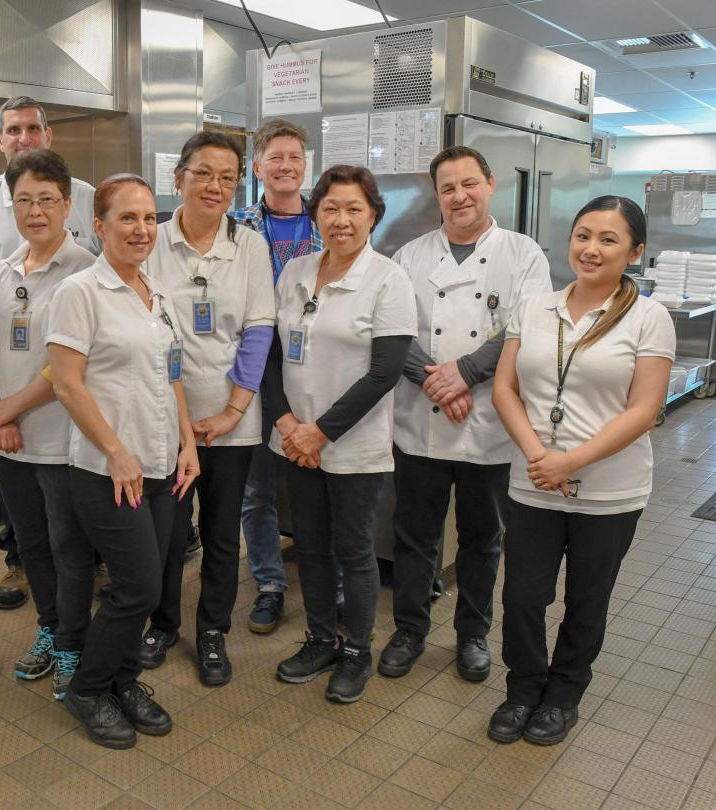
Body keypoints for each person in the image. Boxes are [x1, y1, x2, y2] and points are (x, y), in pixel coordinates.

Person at [489, 196, 674, 745]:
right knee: (522, 596)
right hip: (532, 485)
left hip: (609, 493)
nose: (591, 249)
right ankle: (523, 688)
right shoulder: (535, 307)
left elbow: (645, 409)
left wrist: (570, 460)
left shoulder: (648, 317)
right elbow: (505, 387)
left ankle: (563, 694)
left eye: (609, 239)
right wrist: (538, 457)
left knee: (587, 601)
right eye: (583, 235)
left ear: (635, 252)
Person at [382, 146, 552, 683]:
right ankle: (409, 628)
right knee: (414, 535)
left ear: (490, 184)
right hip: (421, 418)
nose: (460, 196)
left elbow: (525, 329)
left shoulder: (523, 254)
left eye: (469, 184)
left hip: (489, 423)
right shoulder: (410, 255)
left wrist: (466, 374)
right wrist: (437, 380)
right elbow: (392, 330)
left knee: (483, 538)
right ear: (437, 195)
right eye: (448, 187)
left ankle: (473, 634)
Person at [47, 174, 200, 748]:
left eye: (148, 219)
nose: (141, 229)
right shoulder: (80, 292)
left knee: (158, 585)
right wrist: (115, 451)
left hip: (163, 466)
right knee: (133, 586)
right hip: (108, 471)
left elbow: (174, 374)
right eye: (127, 219)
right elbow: (66, 385)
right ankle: (88, 689)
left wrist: (188, 443)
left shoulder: (157, 295)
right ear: (99, 225)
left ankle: (124, 680)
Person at [264, 165, 416, 704]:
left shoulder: (388, 278)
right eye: (330, 208)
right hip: (295, 441)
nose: (342, 219)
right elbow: (271, 355)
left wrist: (320, 433)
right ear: (315, 215)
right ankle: (320, 639)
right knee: (310, 546)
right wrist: (286, 423)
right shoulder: (296, 272)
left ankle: (357, 650)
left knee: (354, 549)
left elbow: (386, 371)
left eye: (354, 209)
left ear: (373, 215)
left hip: (351, 445)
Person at [142, 132, 275, 685]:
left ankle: (213, 629)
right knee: (168, 532)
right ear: (178, 179)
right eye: (203, 173)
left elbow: (259, 329)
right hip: (163, 417)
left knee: (222, 533)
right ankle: (164, 622)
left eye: (227, 176)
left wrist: (231, 411)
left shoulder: (249, 247)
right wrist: (180, 422)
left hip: (230, 420)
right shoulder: (151, 239)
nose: (215, 186)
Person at [0, 149, 96, 701]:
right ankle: (49, 627)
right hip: (9, 444)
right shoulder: (2, 271)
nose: (35, 210)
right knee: (33, 547)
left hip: (64, 441)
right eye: (24, 200)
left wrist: (10, 408)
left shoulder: (89, 270)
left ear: (67, 205)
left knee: (71, 548)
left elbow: (70, 362)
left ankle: (73, 643)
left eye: (47, 199)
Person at [232, 119, 322, 634]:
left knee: (317, 487)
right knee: (256, 493)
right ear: (258, 167)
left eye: (295, 156)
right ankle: (269, 584)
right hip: (253, 372)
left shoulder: (327, 221)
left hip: (313, 373)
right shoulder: (239, 225)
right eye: (276, 157)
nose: (286, 166)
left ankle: (325, 580)